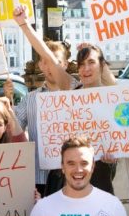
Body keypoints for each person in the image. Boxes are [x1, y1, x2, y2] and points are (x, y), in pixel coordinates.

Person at [11, 5, 76, 197]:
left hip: (71, 177)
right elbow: (13, 131)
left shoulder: (75, 92)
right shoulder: (30, 100)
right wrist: (6, 104)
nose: (50, 67)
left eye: (55, 61)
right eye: (45, 61)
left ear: (64, 65)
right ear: (40, 65)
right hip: (40, 178)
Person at [43, 43, 119, 196]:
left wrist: (115, 157)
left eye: (91, 62)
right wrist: (24, 25)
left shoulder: (112, 97)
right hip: (73, 183)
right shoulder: (72, 94)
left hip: (101, 180)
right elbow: (51, 61)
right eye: (81, 64)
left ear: (102, 65)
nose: (86, 69)